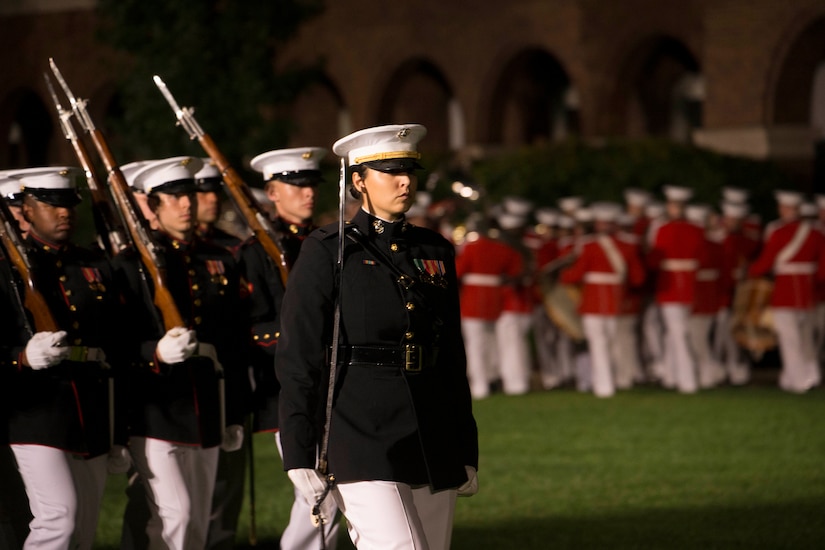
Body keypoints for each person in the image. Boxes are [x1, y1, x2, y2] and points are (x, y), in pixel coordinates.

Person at [276, 124, 478, 550]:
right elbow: (300, 355)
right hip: (358, 429)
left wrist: (465, 445)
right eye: (390, 172)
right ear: (358, 181)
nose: (405, 181)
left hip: (429, 428)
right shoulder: (327, 249)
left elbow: (451, 356)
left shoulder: (434, 249)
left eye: (409, 170)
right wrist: (298, 449)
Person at [118, 156, 249, 549]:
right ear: (153, 207)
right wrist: (153, 350)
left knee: (197, 521)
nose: (186, 204)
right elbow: (116, 341)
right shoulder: (130, 265)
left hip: (208, 404)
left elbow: (233, 343)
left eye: (189, 195)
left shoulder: (218, 259)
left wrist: (234, 412)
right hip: (155, 410)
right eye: (173, 198)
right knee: (173, 515)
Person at [1, 166, 130, 550]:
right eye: (50, 204)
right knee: (59, 516)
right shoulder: (7, 271)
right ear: (26, 208)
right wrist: (21, 357)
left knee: (85, 527)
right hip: (34, 413)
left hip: (90, 408)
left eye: (68, 204)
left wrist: (118, 428)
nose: (64, 213)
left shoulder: (91, 264)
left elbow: (116, 346)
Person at [246, 146, 340, 549]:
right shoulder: (254, 254)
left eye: (311, 185)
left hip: (335, 384)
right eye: (295, 185)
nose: (308, 193)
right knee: (319, 497)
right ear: (272, 192)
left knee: (332, 495)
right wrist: (304, 335)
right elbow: (250, 328)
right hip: (289, 389)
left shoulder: (329, 242)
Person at [560, 202, 646, 397]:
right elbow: (638, 278)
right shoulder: (627, 245)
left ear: (598, 224)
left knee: (597, 344)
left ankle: (604, 386)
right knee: (612, 342)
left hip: (593, 301)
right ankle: (618, 379)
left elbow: (574, 275)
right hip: (616, 301)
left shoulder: (589, 245)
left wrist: (562, 273)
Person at [748, 190, 825, 393]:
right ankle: (807, 375)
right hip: (807, 291)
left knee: (789, 339)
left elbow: (765, 262)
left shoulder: (777, 231)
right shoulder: (815, 232)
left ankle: (799, 381)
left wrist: (750, 271)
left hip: (785, 291)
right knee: (805, 337)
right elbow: (822, 268)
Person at [646, 185, 705, 393]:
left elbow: (653, 259)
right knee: (675, 332)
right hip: (680, 285)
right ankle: (672, 375)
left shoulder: (662, 228)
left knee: (677, 333)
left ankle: (687, 380)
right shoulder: (694, 228)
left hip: (673, 285)